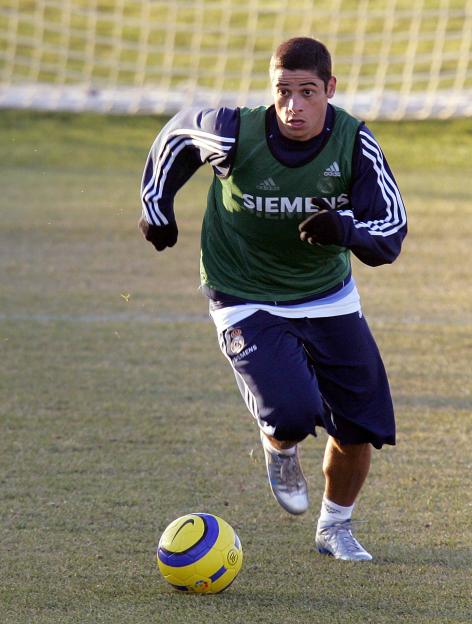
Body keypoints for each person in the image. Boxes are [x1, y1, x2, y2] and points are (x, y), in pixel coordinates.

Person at [139, 37, 407, 561]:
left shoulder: (354, 142)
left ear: (329, 88)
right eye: (283, 91)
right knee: (291, 411)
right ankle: (279, 443)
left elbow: (391, 230)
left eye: (307, 92)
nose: (293, 106)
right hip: (244, 293)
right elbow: (176, 137)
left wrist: (345, 229)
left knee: (360, 426)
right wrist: (157, 205)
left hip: (327, 295)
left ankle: (335, 527)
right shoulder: (233, 131)